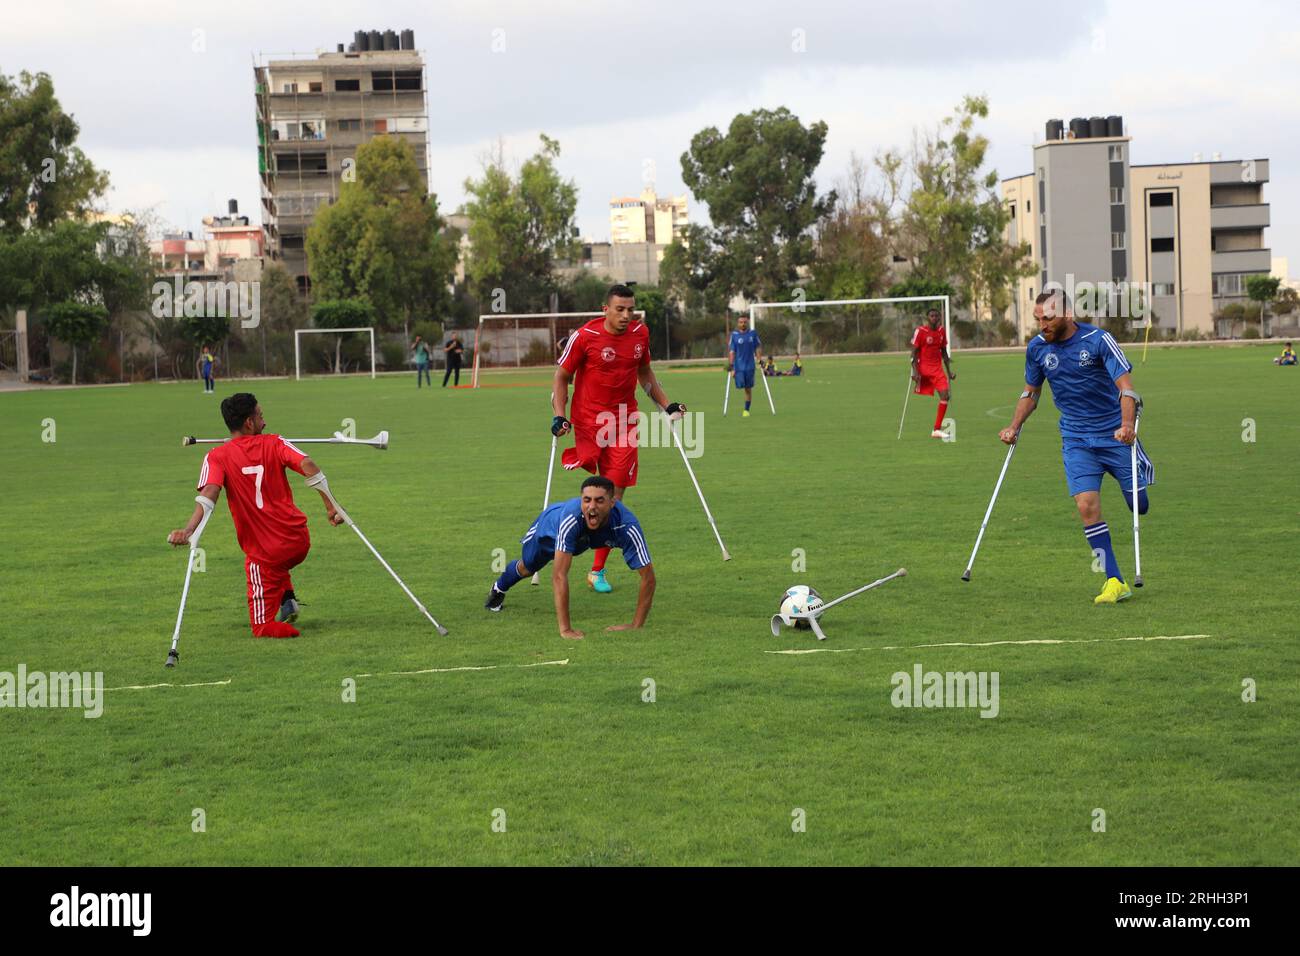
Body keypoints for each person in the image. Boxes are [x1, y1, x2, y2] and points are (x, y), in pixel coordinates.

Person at [998, 290, 1154, 605]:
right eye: (1037, 318)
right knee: (1086, 506)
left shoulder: (1098, 340)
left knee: (1139, 505)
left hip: (1114, 434)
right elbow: (1031, 392)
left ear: (1068, 314)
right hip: (1076, 438)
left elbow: (1127, 389)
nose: (1042, 325)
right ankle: (1114, 579)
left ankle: (1138, 466)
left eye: (1048, 318)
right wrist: (1014, 426)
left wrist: (1126, 426)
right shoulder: (1037, 349)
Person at [167, 392, 345, 638]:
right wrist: (331, 506)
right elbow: (308, 466)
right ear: (249, 423)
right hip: (298, 541)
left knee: (261, 627)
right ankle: (286, 598)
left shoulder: (216, 456)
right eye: (261, 416)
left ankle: (284, 606)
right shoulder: (276, 442)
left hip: (265, 553)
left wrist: (188, 531)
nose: (265, 422)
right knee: (276, 565)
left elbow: (209, 493)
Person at [552, 283, 685, 595]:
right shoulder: (585, 337)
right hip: (587, 420)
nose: (626, 315)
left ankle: (596, 569)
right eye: (620, 309)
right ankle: (566, 541)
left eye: (630, 309)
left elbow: (645, 374)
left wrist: (667, 405)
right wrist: (560, 415)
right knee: (592, 490)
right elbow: (561, 376)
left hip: (624, 421)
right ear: (605, 310)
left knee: (613, 495)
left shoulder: (640, 334)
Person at [485, 476, 655, 639]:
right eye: (587, 500)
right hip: (548, 532)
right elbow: (559, 575)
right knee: (528, 568)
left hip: (582, 540)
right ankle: (499, 588)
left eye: (599, 500)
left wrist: (636, 625)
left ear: (613, 502)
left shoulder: (627, 525)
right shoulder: (571, 518)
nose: (592, 506)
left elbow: (648, 578)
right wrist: (566, 629)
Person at [911, 308, 956, 438]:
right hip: (924, 368)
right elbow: (913, 354)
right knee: (942, 395)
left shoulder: (941, 331)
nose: (934, 318)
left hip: (937, 369)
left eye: (937, 316)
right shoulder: (921, 331)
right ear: (927, 317)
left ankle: (936, 430)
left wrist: (949, 372)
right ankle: (936, 430)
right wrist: (915, 372)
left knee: (945, 395)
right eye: (932, 316)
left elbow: (944, 352)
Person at [728, 315, 764, 417]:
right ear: (738, 323)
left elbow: (757, 348)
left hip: (750, 366)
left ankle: (746, 410)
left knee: (748, 389)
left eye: (744, 322)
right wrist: (731, 365)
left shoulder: (752, 334)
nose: (743, 324)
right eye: (741, 322)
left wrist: (759, 359)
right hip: (738, 367)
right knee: (740, 386)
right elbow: (732, 351)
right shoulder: (734, 335)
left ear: (747, 323)